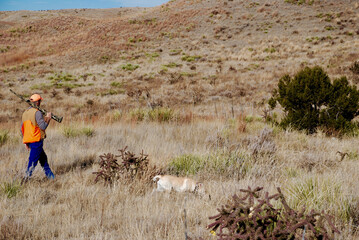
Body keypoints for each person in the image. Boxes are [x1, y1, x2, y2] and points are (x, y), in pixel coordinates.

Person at [21, 93, 55, 181]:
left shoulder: (25, 113)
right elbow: (43, 126)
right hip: (36, 140)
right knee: (32, 161)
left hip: (30, 140)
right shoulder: (37, 112)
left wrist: (26, 142)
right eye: (39, 101)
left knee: (43, 159)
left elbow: (22, 129)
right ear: (37, 102)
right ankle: (25, 180)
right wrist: (48, 118)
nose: (40, 103)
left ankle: (52, 178)